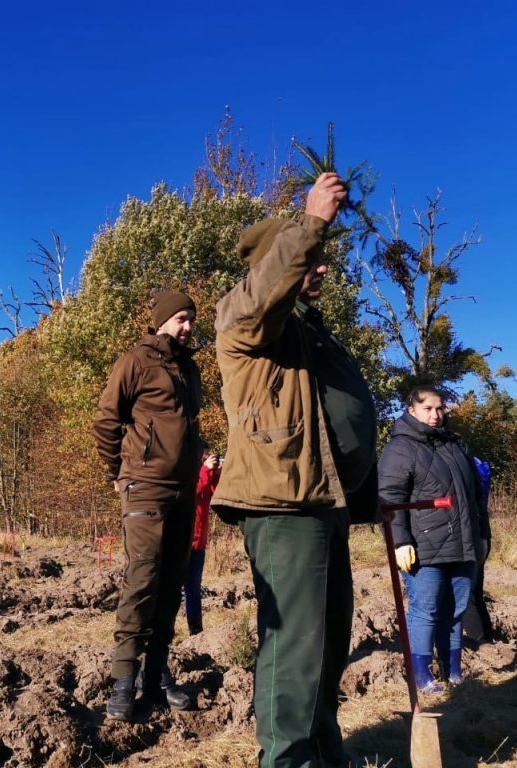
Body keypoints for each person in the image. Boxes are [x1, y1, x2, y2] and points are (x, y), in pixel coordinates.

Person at [210, 172, 379, 768]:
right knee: (295, 646)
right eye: (311, 258)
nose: (323, 269)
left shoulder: (307, 333)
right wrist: (312, 220)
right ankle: (286, 760)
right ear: (276, 262)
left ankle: (322, 753)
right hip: (283, 503)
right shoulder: (243, 317)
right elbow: (265, 294)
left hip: (324, 501)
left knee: (329, 644)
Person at [92, 290, 201, 721]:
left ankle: (155, 676)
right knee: (142, 579)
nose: (188, 326)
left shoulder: (190, 369)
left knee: (171, 582)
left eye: (191, 319)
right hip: (145, 487)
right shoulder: (135, 361)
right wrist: (121, 474)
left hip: (184, 490)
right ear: (160, 321)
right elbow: (106, 421)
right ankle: (124, 678)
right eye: (180, 318)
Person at [378, 386, 489, 693]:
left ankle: (453, 670)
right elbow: (390, 500)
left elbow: (475, 497)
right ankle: (421, 675)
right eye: (428, 408)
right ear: (411, 410)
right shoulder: (400, 449)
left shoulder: (455, 445)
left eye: (440, 409)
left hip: (462, 543)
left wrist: (482, 535)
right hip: (423, 547)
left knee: (455, 609)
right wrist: (400, 541)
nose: (435, 415)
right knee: (425, 609)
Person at [184, 448, 221, 635]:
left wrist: (217, 472)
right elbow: (194, 492)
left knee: (193, 590)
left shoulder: (207, 477)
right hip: (182, 544)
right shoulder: (190, 477)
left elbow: (217, 495)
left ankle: (196, 631)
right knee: (173, 590)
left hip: (199, 544)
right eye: (206, 459)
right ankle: (163, 632)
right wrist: (206, 470)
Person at [462, 456, 494, 645]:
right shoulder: (476, 465)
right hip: (481, 535)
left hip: (471, 538)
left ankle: (481, 644)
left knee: (467, 597)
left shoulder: (465, 467)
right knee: (475, 596)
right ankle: (488, 642)